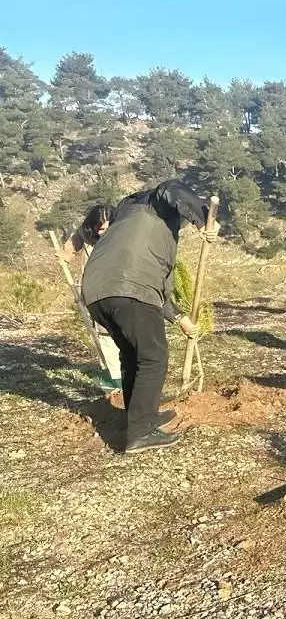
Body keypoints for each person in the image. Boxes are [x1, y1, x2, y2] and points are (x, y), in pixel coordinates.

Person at [80, 181, 213, 454]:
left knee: (132, 354)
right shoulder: (154, 203)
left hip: (97, 293)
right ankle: (141, 432)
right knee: (153, 357)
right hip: (129, 288)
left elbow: (159, 290)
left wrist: (179, 319)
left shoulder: (129, 225)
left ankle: (140, 417)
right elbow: (173, 188)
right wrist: (203, 220)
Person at [59, 204, 123, 390]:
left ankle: (126, 374)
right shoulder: (86, 236)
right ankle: (113, 378)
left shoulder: (122, 236)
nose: (103, 227)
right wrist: (65, 254)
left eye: (107, 223)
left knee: (123, 333)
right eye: (99, 224)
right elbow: (71, 246)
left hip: (120, 289)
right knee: (104, 335)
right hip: (94, 291)